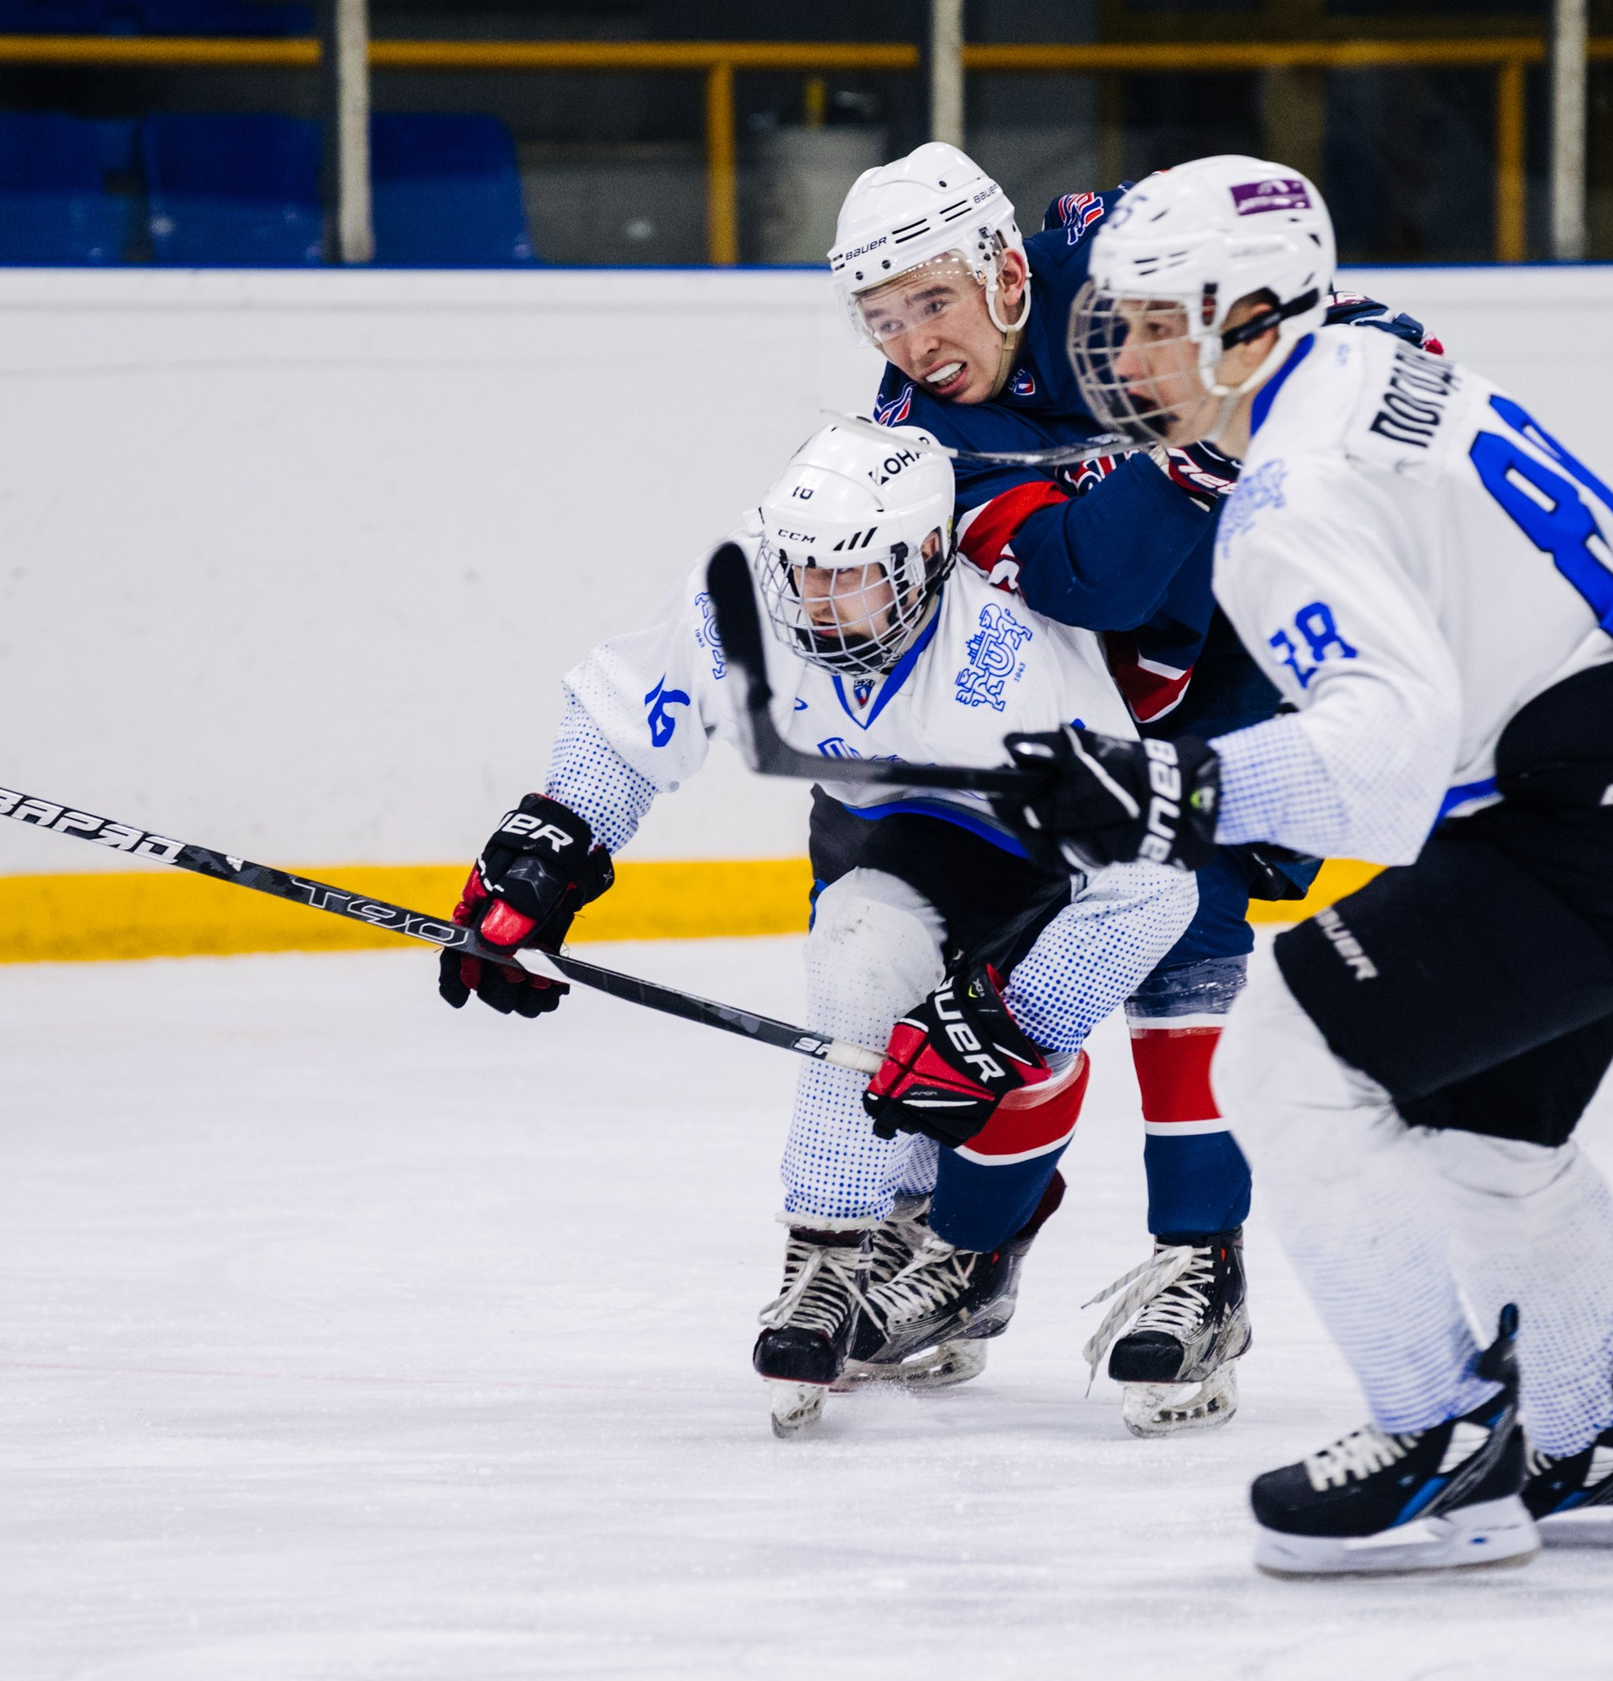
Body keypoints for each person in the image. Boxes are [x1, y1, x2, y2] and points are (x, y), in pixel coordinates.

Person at [994, 155, 1613, 1573]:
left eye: (1147, 320)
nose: (1115, 354)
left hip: (1597, 818)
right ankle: (1591, 1434)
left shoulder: (1289, 493)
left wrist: (1172, 782)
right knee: (1490, 1139)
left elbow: (1384, 747)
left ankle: (1441, 1445)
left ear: (1250, 318)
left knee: (1281, 1060)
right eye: (1111, 320)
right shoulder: (1367, 363)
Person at [826, 141, 1441, 1436]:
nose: (913, 341)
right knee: (1008, 981)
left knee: (1187, 925)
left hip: (1236, 674)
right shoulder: (926, 434)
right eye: (880, 318)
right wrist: (1204, 446)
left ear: (1006, 269)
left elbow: (1339, 323)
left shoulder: (1125, 264)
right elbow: (1082, 584)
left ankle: (1199, 1263)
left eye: (932, 300)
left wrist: (1349, 345)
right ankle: (974, 1247)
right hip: (1086, 697)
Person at [436, 417, 1196, 1438]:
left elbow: (1150, 879)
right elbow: (631, 718)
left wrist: (1010, 1016)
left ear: (928, 557)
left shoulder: (1009, 641)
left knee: (990, 1072)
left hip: (1034, 857)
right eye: (800, 572)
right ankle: (828, 1259)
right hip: (880, 831)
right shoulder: (753, 590)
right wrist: (549, 847)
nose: (815, 601)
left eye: (850, 576)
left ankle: (974, 1245)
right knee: (857, 956)